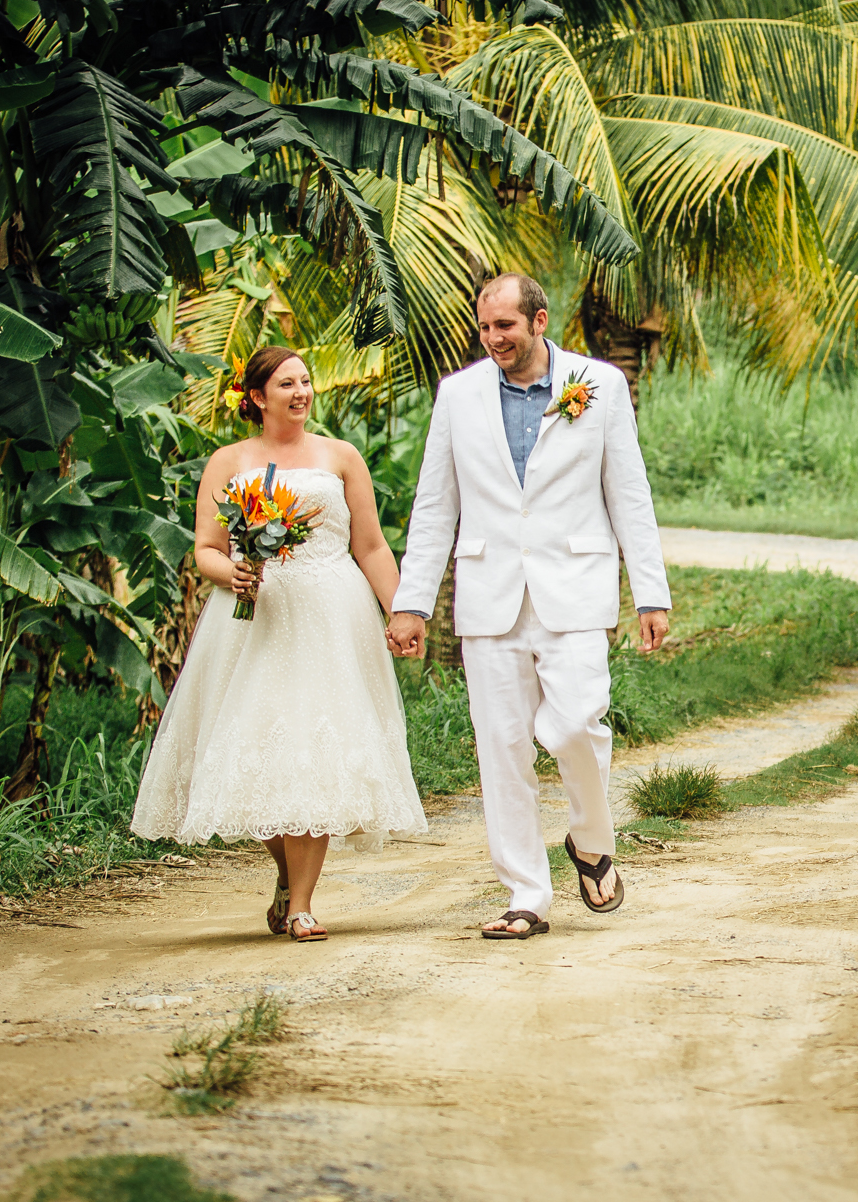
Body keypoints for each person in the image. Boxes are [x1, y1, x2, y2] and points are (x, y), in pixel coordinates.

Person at [385, 274, 671, 939]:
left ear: (539, 322)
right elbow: (435, 508)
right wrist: (412, 604)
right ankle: (524, 895)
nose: (493, 340)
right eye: (484, 328)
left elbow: (630, 493)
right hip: (490, 596)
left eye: (505, 326)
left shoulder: (598, 386)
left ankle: (592, 843)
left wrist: (650, 591)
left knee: (575, 725)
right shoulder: (457, 396)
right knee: (502, 748)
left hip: (575, 588)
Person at [131, 346, 429, 941]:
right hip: (252, 619)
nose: (301, 392)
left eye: (306, 382)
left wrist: (402, 613)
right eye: (286, 384)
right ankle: (285, 871)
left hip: (330, 614)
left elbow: (369, 546)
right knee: (251, 751)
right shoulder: (229, 461)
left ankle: (302, 905)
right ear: (257, 397)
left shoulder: (341, 457)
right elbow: (207, 548)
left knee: (313, 753)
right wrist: (232, 573)